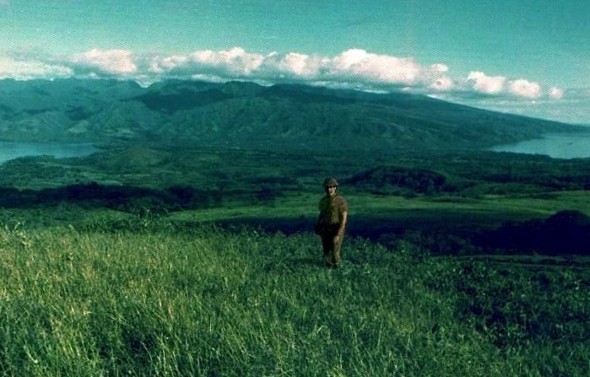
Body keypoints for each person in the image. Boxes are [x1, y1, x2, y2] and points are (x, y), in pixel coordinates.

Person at [315, 177, 348, 268]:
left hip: (336, 227)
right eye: (328, 187)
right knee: (326, 253)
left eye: (332, 187)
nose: (330, 189)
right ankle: (329, 274)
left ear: (335, 188)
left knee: (335, 253)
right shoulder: (324, 200)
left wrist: (338, 234)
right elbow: (322, 214)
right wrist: (318, 225)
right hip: (326, 228)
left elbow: (344, 219)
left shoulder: (341, 201)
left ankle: (340, 272)